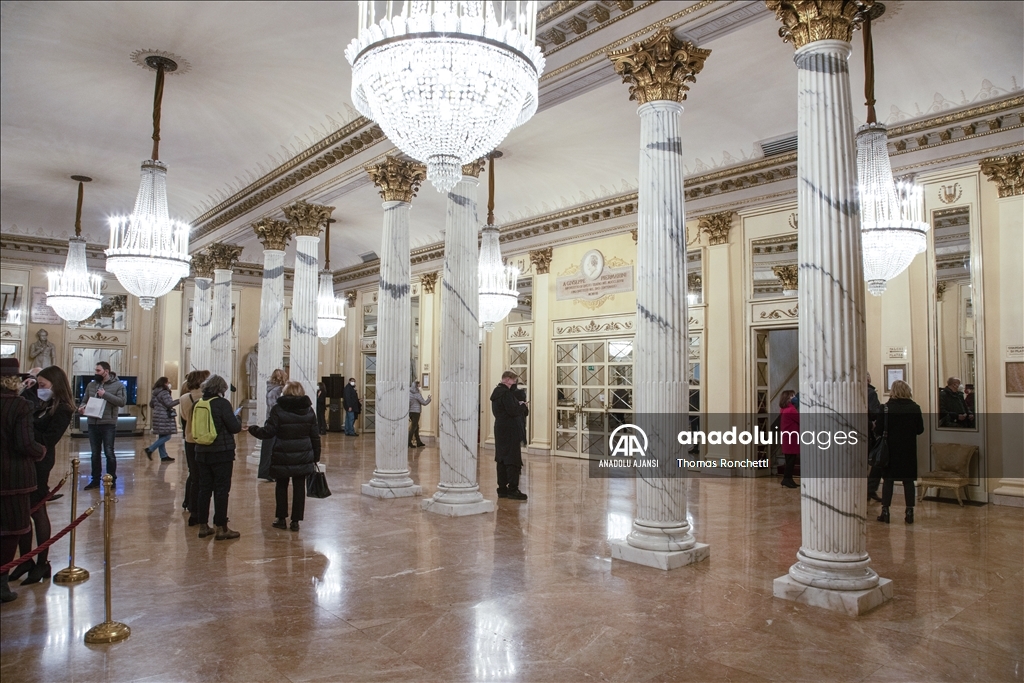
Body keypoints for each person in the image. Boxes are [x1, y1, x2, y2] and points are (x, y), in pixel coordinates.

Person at [11, 365, 75, 586]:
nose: (40, 389)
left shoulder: (63, 409)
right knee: (24, 512)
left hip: (41, 461)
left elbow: (49, 438)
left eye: (43, 385)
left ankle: (42, 562)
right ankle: (25, 559)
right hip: (27, 459)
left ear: (55, 384)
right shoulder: (44, 404)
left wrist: (26, 429)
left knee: (37, 510)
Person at [0, 358, 46, 603]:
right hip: (13, 477)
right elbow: (25, 444)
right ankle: (1, 584)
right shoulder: (20, 405)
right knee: (12, 531)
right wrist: (42, 451)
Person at [248, 381, 320, 532]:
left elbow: (268, 432)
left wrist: (253, 429)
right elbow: (315, 435)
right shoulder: (308, 410)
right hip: (302, 454)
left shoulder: (278, 409)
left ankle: (281, 518)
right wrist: (316, 456)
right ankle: (295, 521)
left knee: (281, 486)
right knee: (299, 488)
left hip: (283, 453)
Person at [193, 374, 242, 540]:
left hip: (201, 451)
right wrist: (237, 417)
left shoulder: (198, 403)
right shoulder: (222, 404)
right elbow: (234, 427)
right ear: (221, 389)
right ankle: (221, 527)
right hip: (221, 452)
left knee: (204, 489)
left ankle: (203, 526)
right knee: (221, 490)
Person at [877, 380, 924, 525]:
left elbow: (878, 430)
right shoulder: (915, 408)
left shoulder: (885, 408)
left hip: (890, 449)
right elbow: (920, 430)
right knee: (908, 481)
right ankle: (909, 511)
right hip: (908, 449)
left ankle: (885, 510)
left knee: (888, 480)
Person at [77, 361, 126, 490]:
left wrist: (105, 395)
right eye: (95, 370)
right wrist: (81, 408)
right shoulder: (91, 385)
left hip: (108, 423)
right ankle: (95, 480)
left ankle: (111, 480)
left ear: (106, 371)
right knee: (94, 453)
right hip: (92, 423)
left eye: (98, 370)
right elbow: (84, 400)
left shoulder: (118, 385)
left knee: (109, 452)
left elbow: (122, 402)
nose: (96, 372)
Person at [490, 370, 528, 501]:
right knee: (512, 459)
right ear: (507, 380)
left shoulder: (496, 392)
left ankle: (502, 489)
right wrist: (523, 406)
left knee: (501, 458)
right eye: (513, 381)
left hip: (500, 428)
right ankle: (513, 489)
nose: (514, 383)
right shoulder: (506, 393)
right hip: (510, 429)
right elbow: (513, 411)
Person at [178, 369, 209, 523]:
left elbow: (183, 418)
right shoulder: (207, 398)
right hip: (205, 439)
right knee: (205, 476)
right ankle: (199, 508)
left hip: (190, 438)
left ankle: (189, 503)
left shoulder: (184, 398)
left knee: (193, 473)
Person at [259, 369, 288, 481]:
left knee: (267, 449)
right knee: (274, 449)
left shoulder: (270, 388)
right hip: (276, 422)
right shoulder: (278, 390)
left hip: (269, 421)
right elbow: (276, 408)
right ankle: (271, 472)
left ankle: (266, 471)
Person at [145, 377, 179, 463]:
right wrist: (180, 400)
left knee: (162, 436)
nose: (169, 384)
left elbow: (151, 404)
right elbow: (169, 404)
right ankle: (150, 449)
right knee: (167, 436)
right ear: (164, 383)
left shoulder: (155, 392)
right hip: (164, 416)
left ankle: (163, 456)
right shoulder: (164, 392)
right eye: (168, 382)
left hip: (157, 416)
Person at [866, 373, 884, 502]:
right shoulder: (870, 392)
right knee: (878, 461)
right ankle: (870, 489)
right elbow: (874, 412)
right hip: (868, 433)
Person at [778, 390, 799, 489]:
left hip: (787, 438)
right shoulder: (791, 410)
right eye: (792, 396)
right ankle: (786, 479)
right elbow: (800, 419)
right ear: (787, 399)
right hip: (792, 438)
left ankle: (789, 479)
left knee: (789, 460)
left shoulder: (784, 409)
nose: (794, 397)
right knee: (791, 461)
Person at [408, 380, 430, 448]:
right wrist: (429, 398)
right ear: (416, 386)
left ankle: (418, 441)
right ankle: (408, 442)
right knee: (414, 427)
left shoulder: (409, 393)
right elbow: (424, 403)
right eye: (419, 386)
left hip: (411, 412)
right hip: (416, 412)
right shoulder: (417, 394)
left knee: (416, 427)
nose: (420, 387)